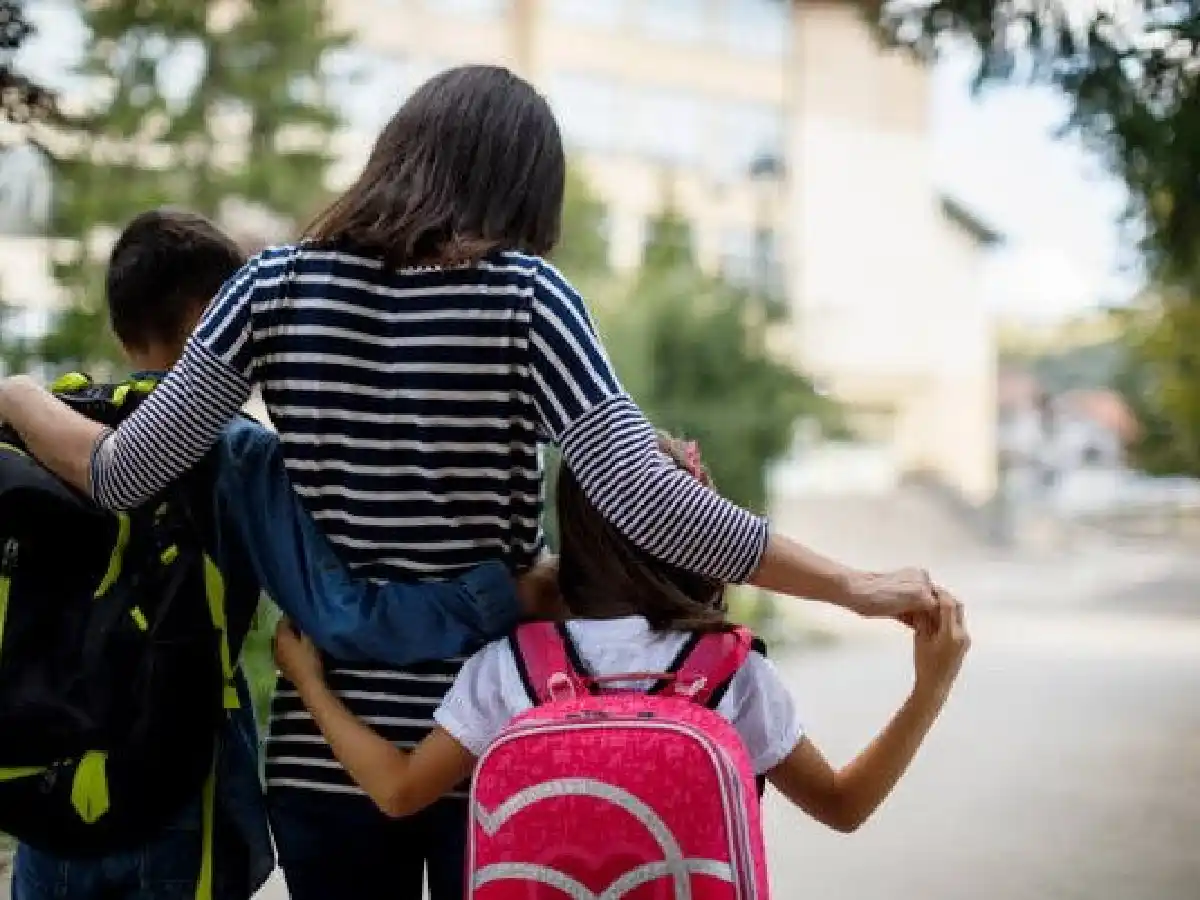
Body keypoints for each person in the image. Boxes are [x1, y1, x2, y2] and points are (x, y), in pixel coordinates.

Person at [0, 66, 940, 899]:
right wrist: (852, 585)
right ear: (521, 189)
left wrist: (18, 395)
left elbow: (121, 474)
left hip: (326, 749)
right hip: (500, 737)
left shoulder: (269, 288)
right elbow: (650, 502)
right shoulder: (526, 297)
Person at [9, 209, 547, 900]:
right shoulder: (237, 453)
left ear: (121, 331)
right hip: (177, 795)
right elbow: (346, 615)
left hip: (41, 801)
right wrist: (509, 595)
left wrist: (17, 394)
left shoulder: (42, 432)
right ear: (220, 319)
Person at [272, 433, 970, 839]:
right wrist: (929, 689)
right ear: (702, 536)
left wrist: (310, 683)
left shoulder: (512, 667)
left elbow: (398, 792)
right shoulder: (732, 672)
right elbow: (844, 807)